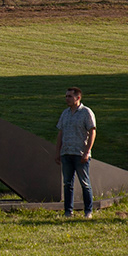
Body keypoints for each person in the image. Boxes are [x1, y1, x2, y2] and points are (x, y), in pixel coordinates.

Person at [54, 86, 96, 218]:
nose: (67, 99)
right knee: (67, 184)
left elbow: (92, 131)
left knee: (85, 183)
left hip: (80, 153)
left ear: (78, 98)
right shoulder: (65, 113)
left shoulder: (86, 112)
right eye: (66, 96)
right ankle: (68, 211)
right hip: (66, 152)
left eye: (70, 96)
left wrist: (87, 151)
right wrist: (58, 151)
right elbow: (60, 132)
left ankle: (88, 211)